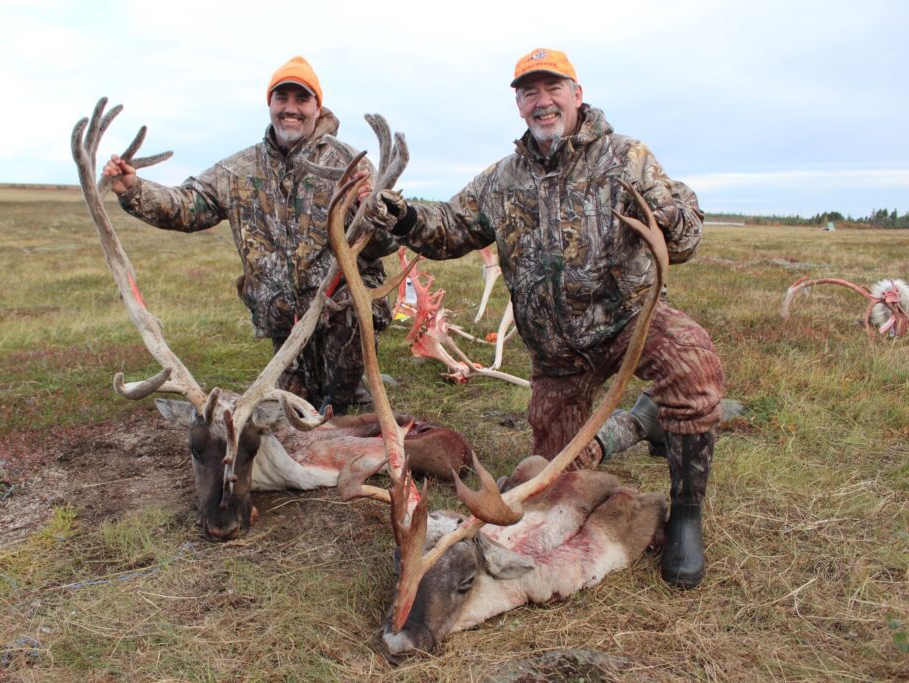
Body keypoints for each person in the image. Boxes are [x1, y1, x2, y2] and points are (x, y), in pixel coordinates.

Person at [371, 48, 724, 589]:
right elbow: (451, 226)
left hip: (627, 326)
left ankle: (687, 517)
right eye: (529, 92)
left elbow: (686, 232)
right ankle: (635, 423)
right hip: (557, 357)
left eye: (552, 88)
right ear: (518, 105)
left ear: (576, 94)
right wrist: (407, 216)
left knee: (693, 363)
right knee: (553, 479)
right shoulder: (502, 180)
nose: (543, 101)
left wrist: (671, 220)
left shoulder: (626, 158)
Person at [103, 56, 396, 415]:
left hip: (338, 311)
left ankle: (347, 392)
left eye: (301, 100)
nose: (291, 109)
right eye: (281, 98)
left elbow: (386, 240)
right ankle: (323, 388)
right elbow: (187, 204)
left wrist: (375, 212)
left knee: (337, 402)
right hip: (283, 319)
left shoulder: (352, 164)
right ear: (269, 104)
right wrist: (133, 188)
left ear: (317, 107)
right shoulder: (240, 169)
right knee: (288, 407)